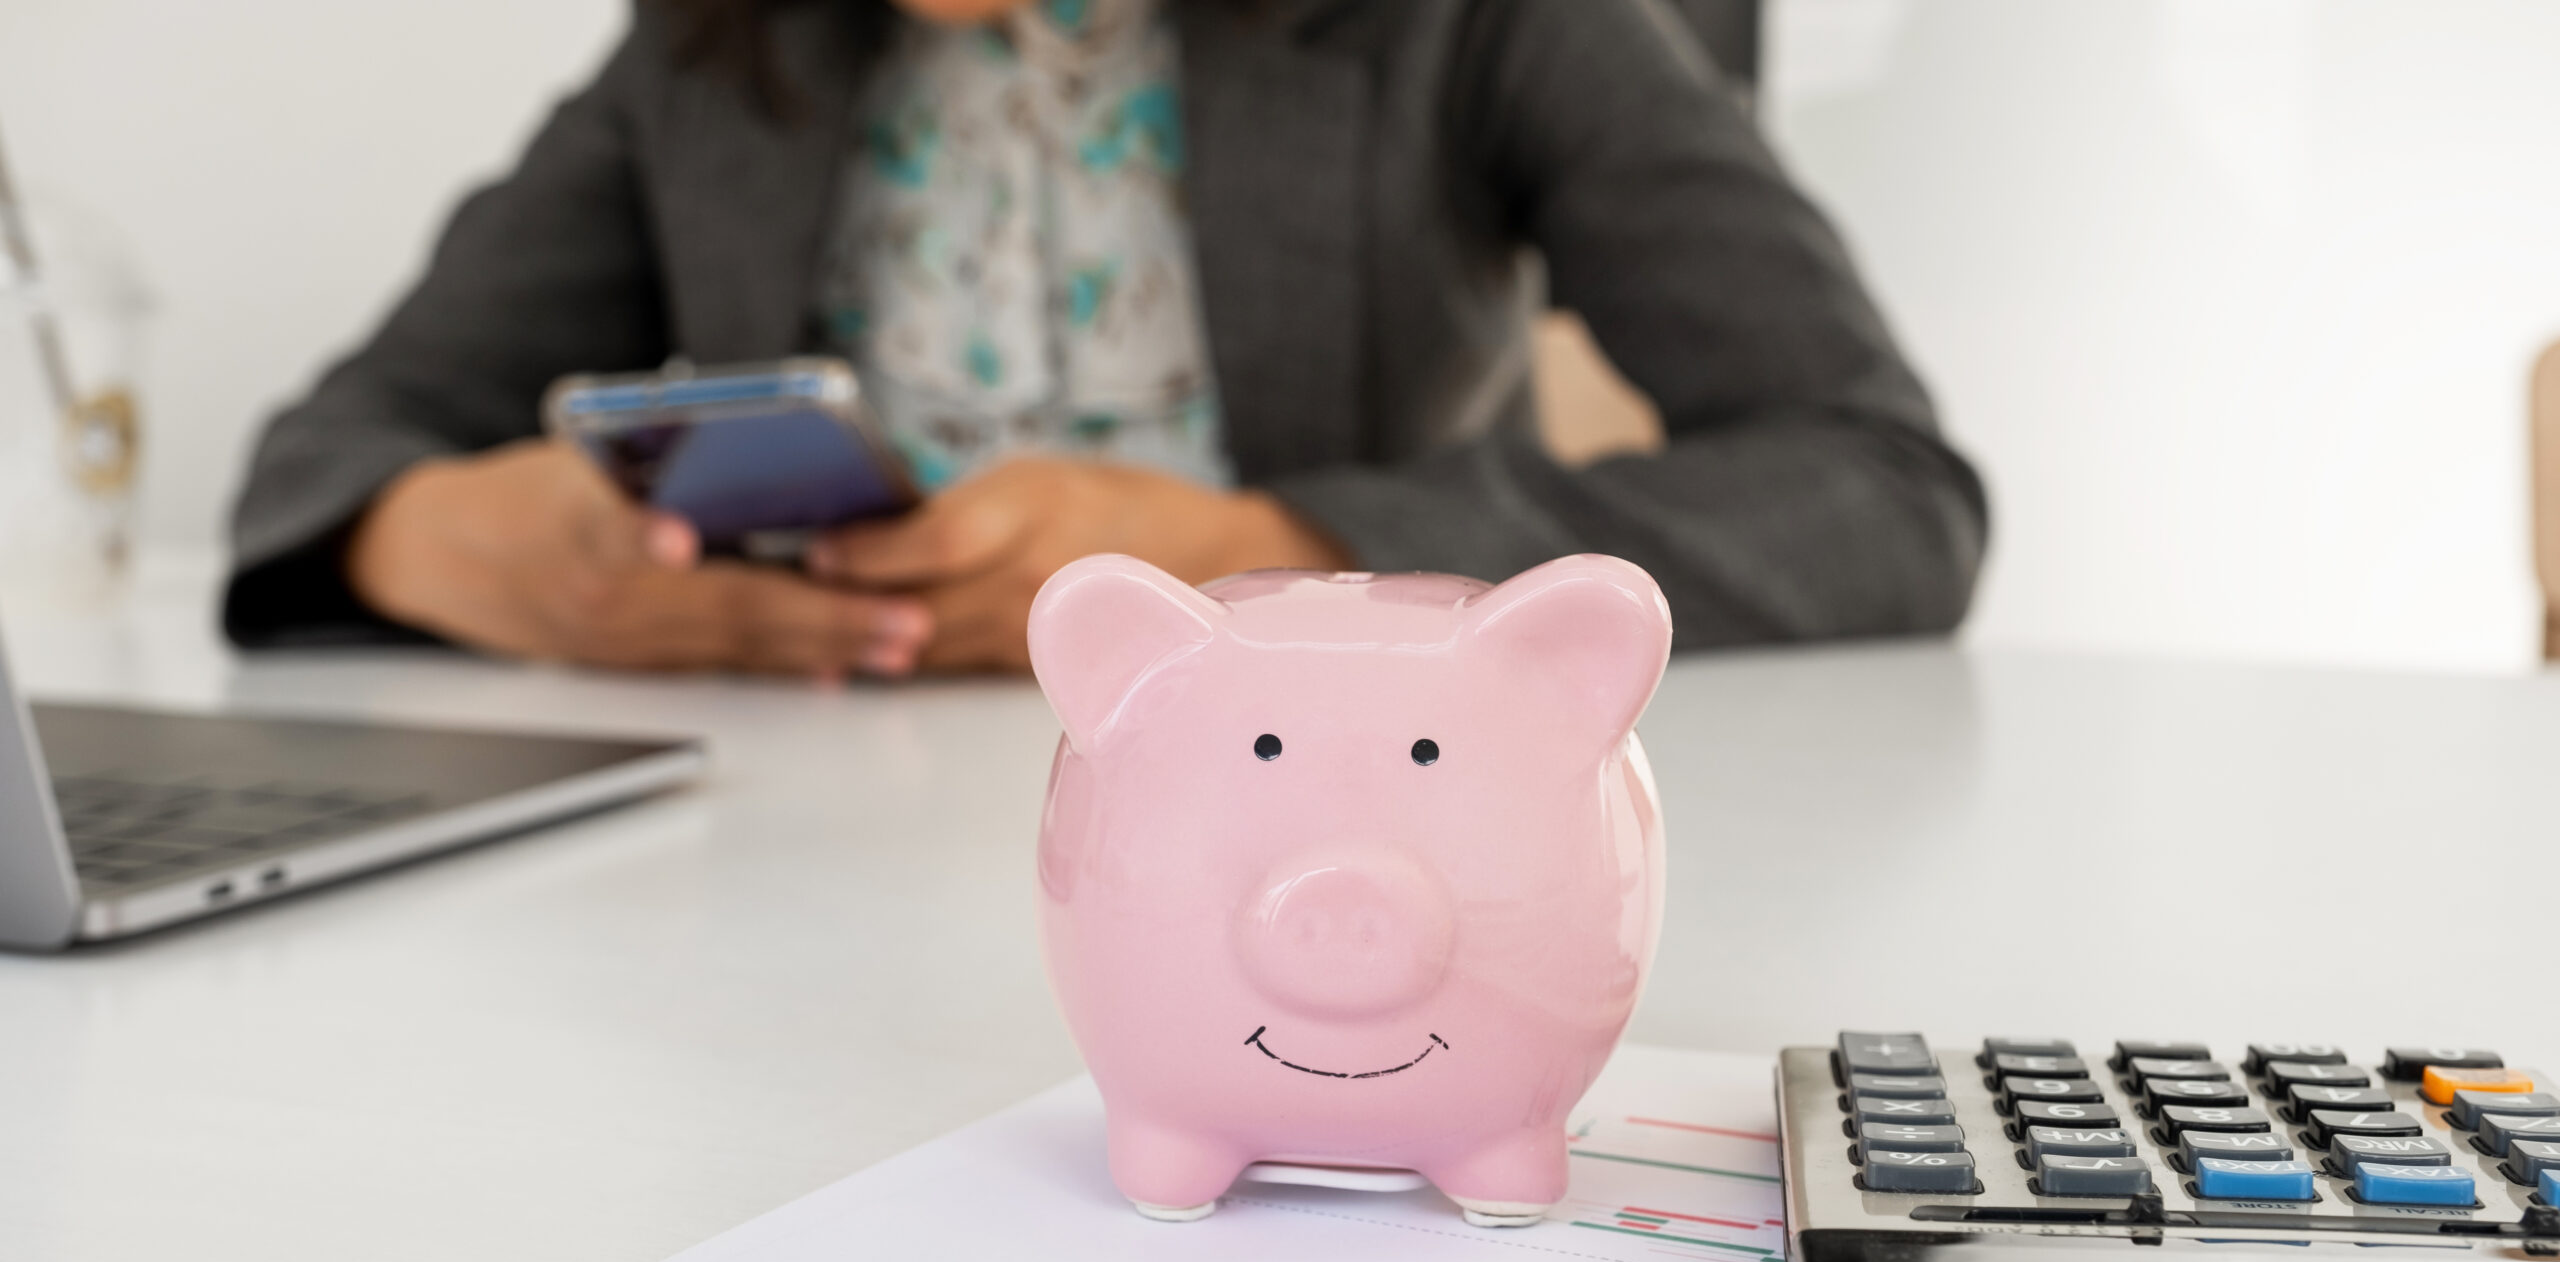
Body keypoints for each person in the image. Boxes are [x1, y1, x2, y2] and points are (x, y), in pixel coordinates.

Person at [223, 0, 1987, 677]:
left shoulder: (1484, 23)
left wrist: (1269, 553)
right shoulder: (707, 49)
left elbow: (1882, 488)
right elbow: (343, 441)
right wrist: (431, 539)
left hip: (1313, 845)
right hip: (771, 884)